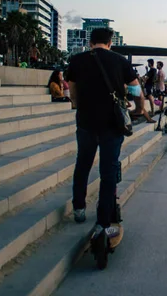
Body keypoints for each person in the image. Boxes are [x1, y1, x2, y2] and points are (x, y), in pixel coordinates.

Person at [66, 27, 145, 258]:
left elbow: (72, 88)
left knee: (83, 164)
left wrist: (76, 104)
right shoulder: (119, 61)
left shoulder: (77, 60)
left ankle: (79, 208)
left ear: (91, 42)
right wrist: (134, 105)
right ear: (110, 42)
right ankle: (102, 221)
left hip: (86, 122)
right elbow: (135, 89)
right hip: (112, 124)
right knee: (108, 171)